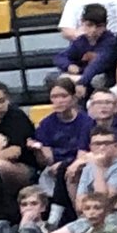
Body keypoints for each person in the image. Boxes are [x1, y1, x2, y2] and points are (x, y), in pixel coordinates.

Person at [28, 77, 94, 221]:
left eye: (63, 96)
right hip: (53, 169)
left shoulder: (85, 122)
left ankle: (56, 218)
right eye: (54, 97)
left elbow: (82, 154)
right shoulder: (46, 124)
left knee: (65, 171)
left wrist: (63, 165)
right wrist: (38, 150)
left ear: (73, 98)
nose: (59, 101)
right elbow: (47, 160)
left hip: (80, 165)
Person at [0, 80, 37, 196]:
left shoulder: (17, 117)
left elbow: (15, 151)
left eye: (1, 101)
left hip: (25, 167)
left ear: (8, 100)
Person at [53, 3, 115, 97]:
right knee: (52, 77)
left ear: (105, 25)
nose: (94, 30)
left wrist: (81, 82)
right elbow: (60, 57)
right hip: (82, 75)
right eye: (89, 25)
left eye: (99, 26)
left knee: (96, 80)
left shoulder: (110, 41)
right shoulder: (81, 40)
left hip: (103, 76)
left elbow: (97, 65)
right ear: (82, 22)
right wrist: (69, 66)